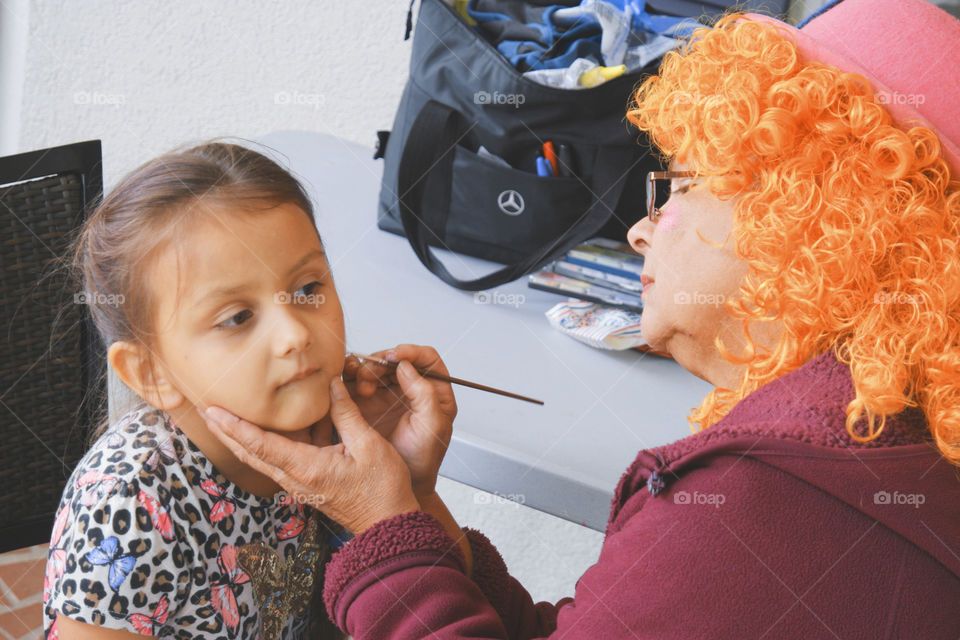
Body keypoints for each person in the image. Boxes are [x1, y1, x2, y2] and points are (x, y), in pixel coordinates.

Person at [203, 0, 960, 637]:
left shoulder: (768, 499)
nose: (638, 231)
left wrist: (376, 529)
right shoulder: (890, 442)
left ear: (813, 221)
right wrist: (413, 515)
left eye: (685, 188)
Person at [42, 142, 450, 640]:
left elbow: (455, 593)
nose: (296, 335)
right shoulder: (128, 505)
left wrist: (411, 488)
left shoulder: (341, 445)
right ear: (151, 373)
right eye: (237, 318)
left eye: (307, 289)